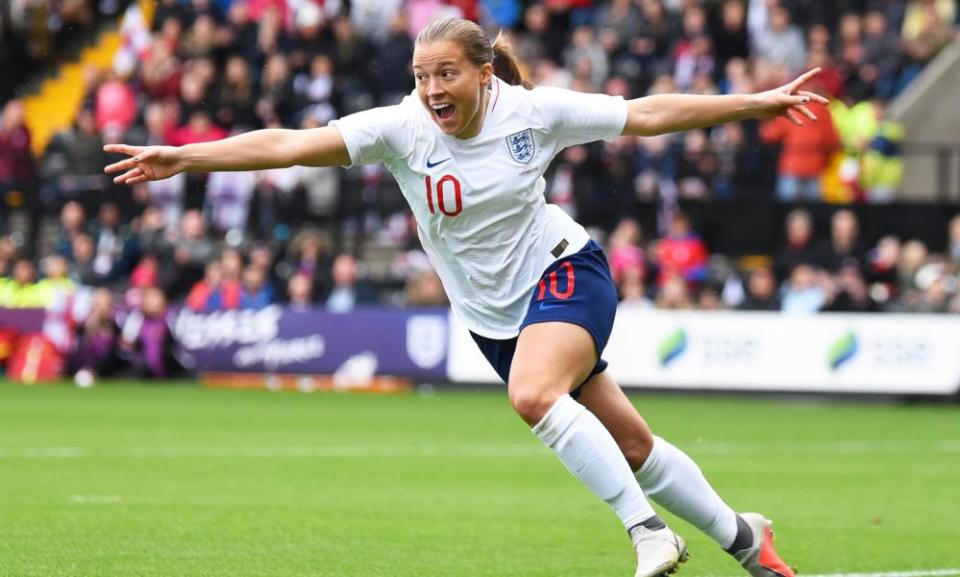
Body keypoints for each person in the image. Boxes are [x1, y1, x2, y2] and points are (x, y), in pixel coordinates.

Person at [105, 18, 826, 577]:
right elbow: (287, 144)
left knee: (535, 396)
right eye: (422, 76)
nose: (432, 89)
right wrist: (185, 156)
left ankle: (648, 532)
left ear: (484, 75)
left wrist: (754, 105)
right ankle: (742, 535)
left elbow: (646, 113)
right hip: (492, 318)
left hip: (565, 272)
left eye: (446, 73)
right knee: (631, 443)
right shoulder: (401, 128)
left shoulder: (533, 113)